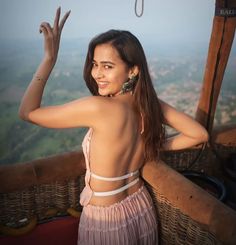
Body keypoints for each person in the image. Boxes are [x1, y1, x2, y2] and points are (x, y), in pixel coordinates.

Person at [18, 7, 209, 245]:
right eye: (95, 64)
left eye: (107, 66)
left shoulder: (99, 108)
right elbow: (198, 134)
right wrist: (157, 143)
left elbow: (27, 112)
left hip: (105, 221)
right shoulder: (148, 103)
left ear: (133, 70)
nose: (97, 73)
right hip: (140, 207)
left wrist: (49, 59)